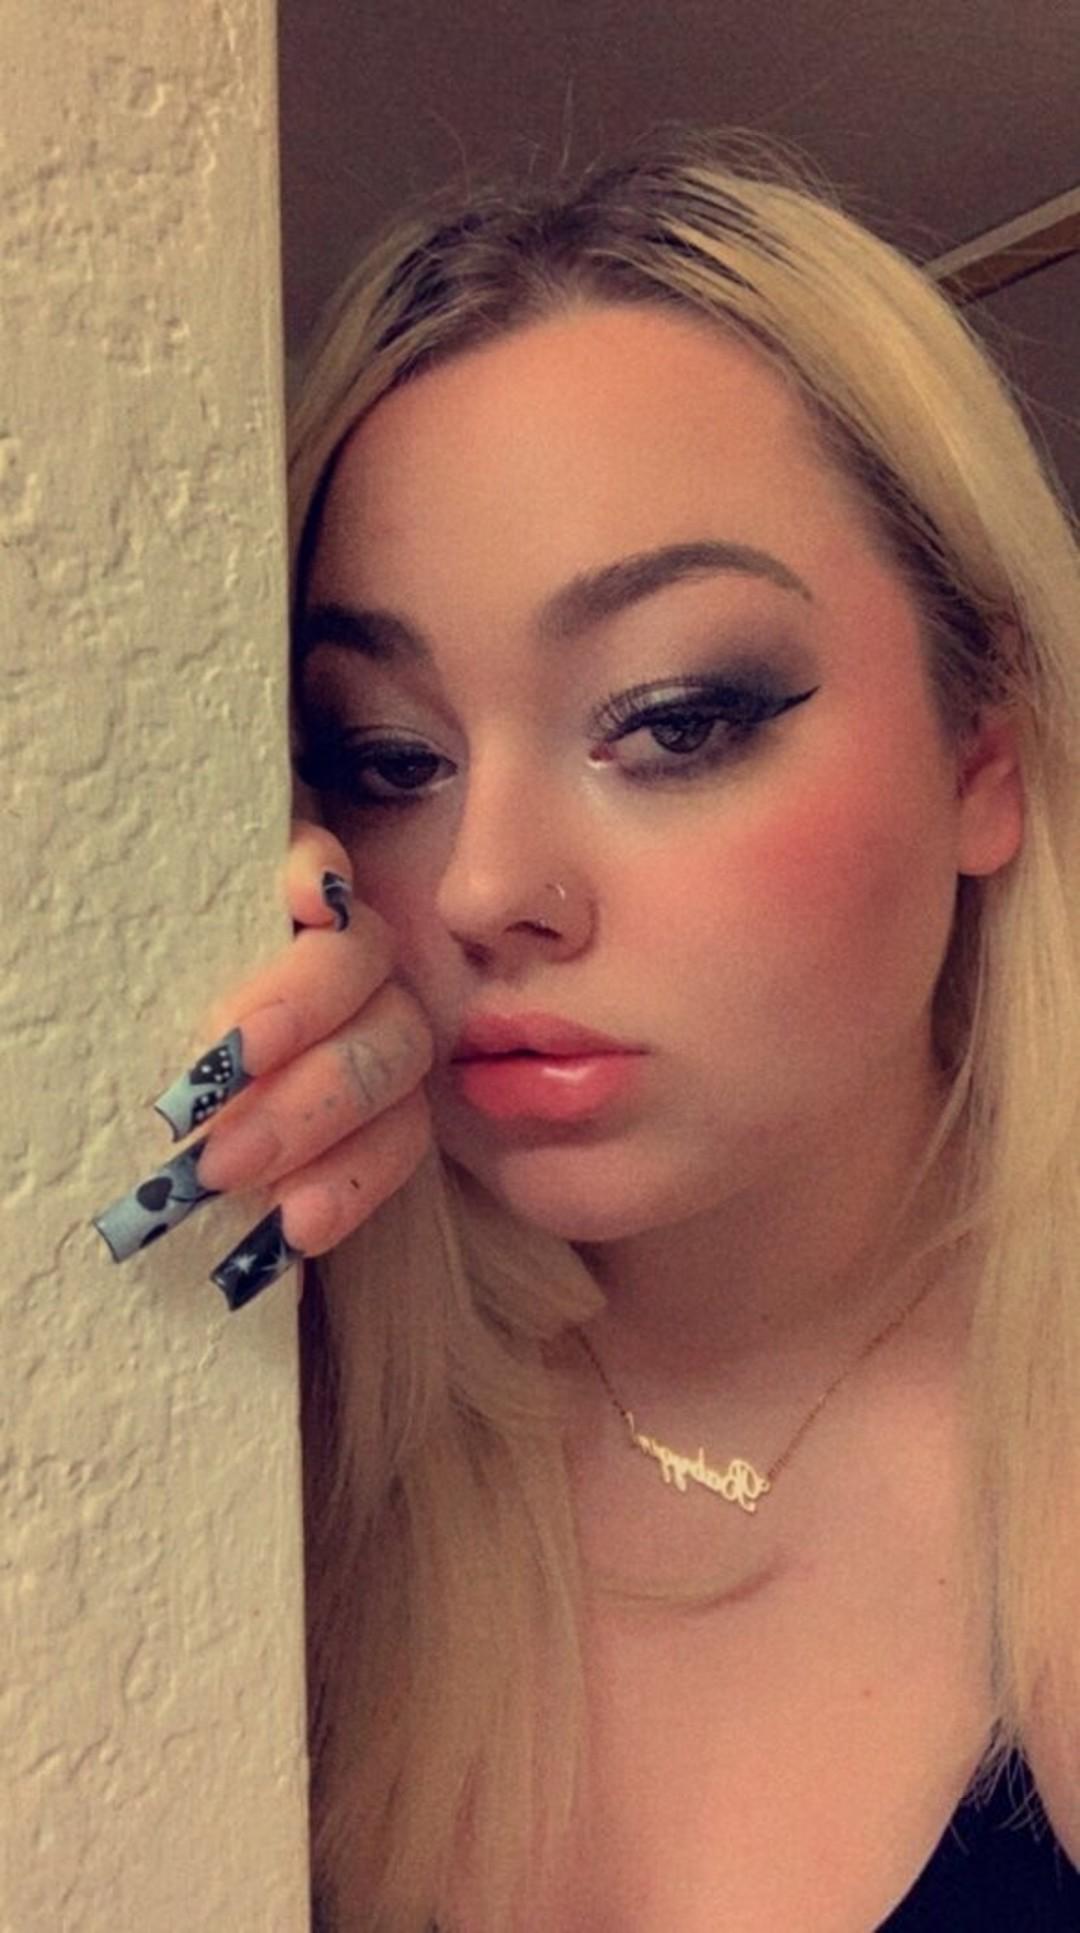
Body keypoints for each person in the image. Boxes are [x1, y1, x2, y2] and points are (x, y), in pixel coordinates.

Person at [94, 131, 1080, 1928]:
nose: (485, 886)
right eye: (387, 756)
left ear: (983, 753)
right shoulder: (277, 1472)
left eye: (672, 717)